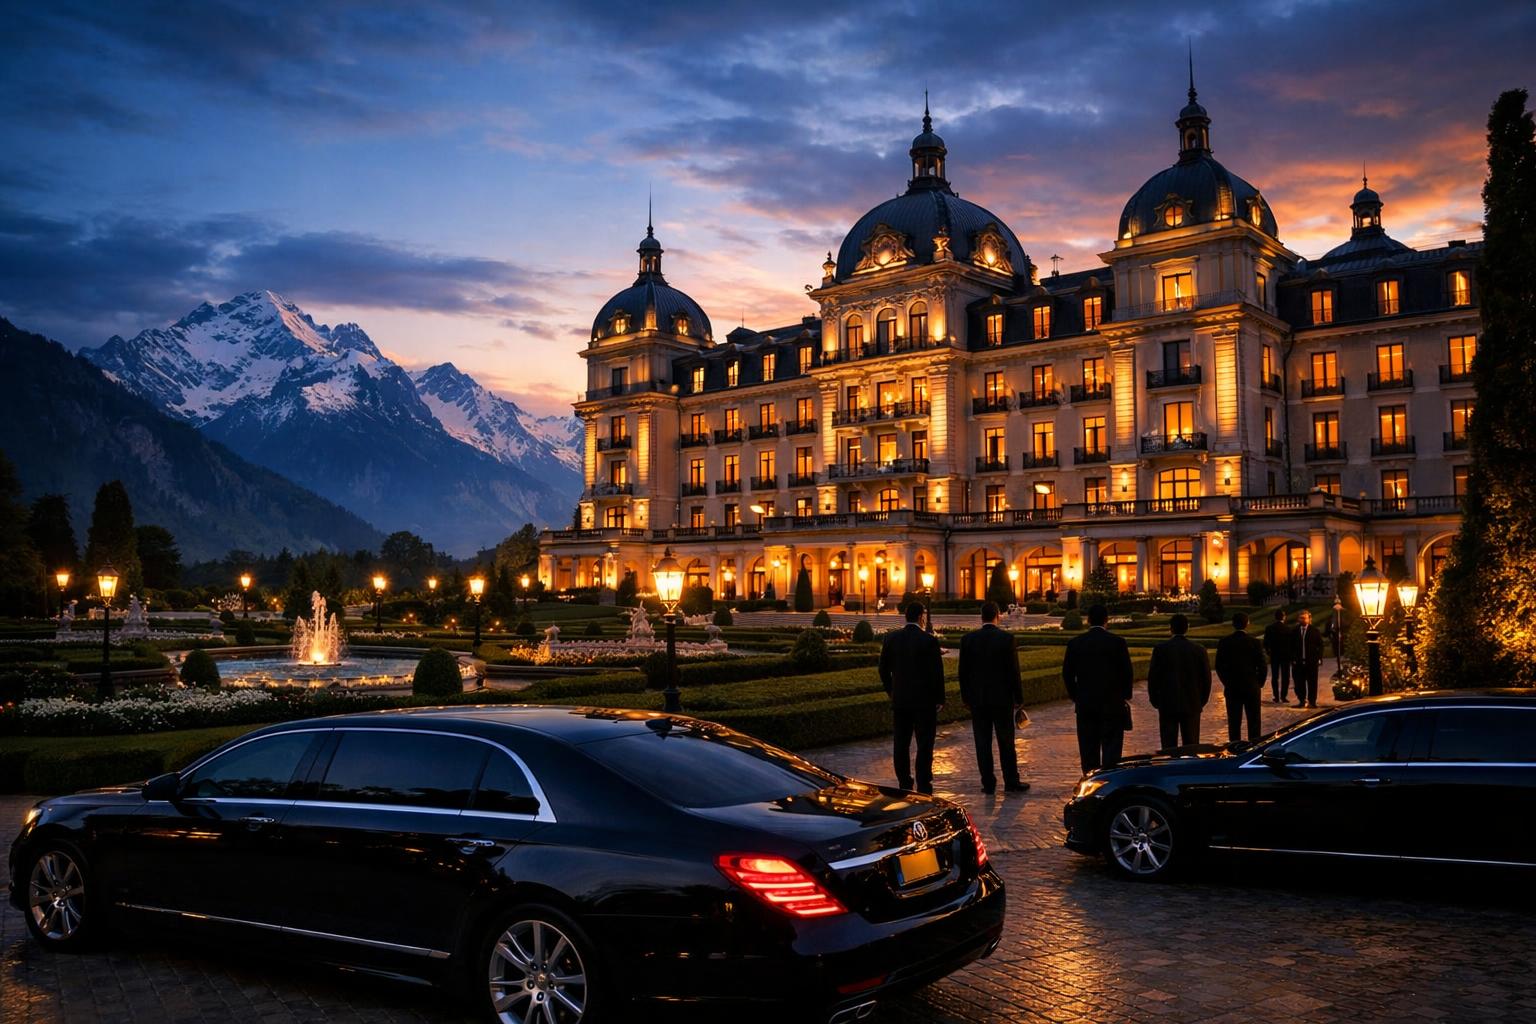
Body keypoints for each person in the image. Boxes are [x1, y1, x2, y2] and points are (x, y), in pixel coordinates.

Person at [958, 601, 1029, 794]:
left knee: (982, 743)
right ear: (998, 615)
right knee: (1006, 741)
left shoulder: (968, 640)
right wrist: (1018, 697)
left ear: (981, 617)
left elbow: (962, 673)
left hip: (978, 700)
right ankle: (1011, 781)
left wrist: (966, 698)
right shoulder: (1006, 639)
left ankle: (988, 783)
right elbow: (1014, 671)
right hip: (1002, 699)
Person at [878, 601, 946, 793]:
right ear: (920, 617)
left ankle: (904, 782)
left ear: (905, 616)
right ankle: (924, 783)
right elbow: (936, 673)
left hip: (900, 701)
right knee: (925, 744)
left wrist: (892, 691)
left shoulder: (891, 638)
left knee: (901, 743)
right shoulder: (929, 640)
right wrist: (939, 699)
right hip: (924, 702)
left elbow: (883, 669)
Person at [1062, 603, 1134, 773]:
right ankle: (1109, 789)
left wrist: (1076, 696)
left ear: (1087, 620)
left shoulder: (1075, 643)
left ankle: (1091, 789)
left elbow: (1067, 674)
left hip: (1086, 705)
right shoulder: (1118, 642)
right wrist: (1124, 696)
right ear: (1106, 620)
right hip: (1112, 706)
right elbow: (1127, 673)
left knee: (1088, 753)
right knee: (1112, 754)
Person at [1146, 613, 1211, 749]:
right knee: (1192, 746)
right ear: (1187, 627)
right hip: (1192, 703)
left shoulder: (1160, 649)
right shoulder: (1198, 650)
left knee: (1168, 747)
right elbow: (1206, 680)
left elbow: (1153, 678)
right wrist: (1201, 701)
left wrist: (1155, 700)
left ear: (1171, 628)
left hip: (1167, 704)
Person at [1214, 611, 1267, 742]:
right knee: (1254, 721)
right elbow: (1262, 665)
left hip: (1232, 687)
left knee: (1234, 722)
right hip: (1251, 686)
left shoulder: (1225, 642)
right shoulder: (1254, 642)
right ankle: (1254, 746)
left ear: (1233, 624)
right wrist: (1258, 683)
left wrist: (1226, 681)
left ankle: (1235, 747)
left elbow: (1219, 666)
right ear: (1247, 623)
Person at [1293, 609, 1325, 709]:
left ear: (1309, 619)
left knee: (1312, 682)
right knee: (1299, 682)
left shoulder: (1314, 631)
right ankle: (1302, 700)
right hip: (1298, 662)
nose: (1303, 620)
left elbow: (1321, 645)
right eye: (1301, 618)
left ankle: (1312, 701)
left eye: (1305, 618)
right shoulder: (1294, 631)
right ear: (1298, 619)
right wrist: (1292, 658)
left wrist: (1319, 658)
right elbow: (1290, 645)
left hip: (1311, 661)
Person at [1262, 608, 1293, 704]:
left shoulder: (1269, 628)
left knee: (1275, 677)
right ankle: (1284, 696)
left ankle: (1276, 696)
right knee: (1285, 676)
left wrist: (1268, 652)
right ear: (1284, 617)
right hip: (1285, 656)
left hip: (1274, 655)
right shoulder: (1288, 629)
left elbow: (1266, 642)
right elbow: (1291, 644)